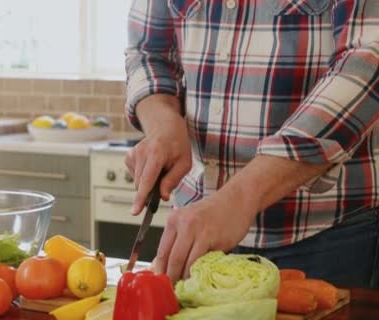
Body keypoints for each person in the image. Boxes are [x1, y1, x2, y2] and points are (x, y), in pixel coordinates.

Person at [124, 0, 379, 288]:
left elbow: (367, 62)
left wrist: (240, 197)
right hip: (197, 234)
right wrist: (162, 120)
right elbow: (147, 51)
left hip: (328, 239)